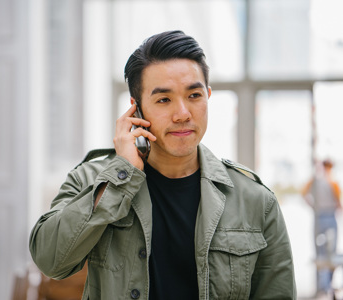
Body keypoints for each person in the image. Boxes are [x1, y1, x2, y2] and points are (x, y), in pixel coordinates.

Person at [29, 30, 296, 299]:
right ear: (136, 109)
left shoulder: (255, 200)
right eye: (164, 100)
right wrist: (120, 178)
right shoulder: (93, 179)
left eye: (194, 95)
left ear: (208, 96)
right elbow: (50, 260)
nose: (182, 114)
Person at [302, 159, 341, 296]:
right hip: (329, 217)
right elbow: (339, 203)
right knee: (328, 253)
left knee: (321, 253)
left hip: (319, 216)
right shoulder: (332, 182)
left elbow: (304, 195)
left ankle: (322, 288)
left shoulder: (315, 181)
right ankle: (326, 287)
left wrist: (314, 207)